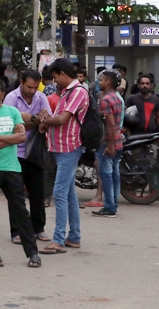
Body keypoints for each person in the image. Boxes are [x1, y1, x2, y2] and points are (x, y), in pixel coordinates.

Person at [0, 78, 41, 268]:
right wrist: (10, 137)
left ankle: (33, 253)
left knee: (21, 212)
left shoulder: (12, 112)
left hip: (12, 168)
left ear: (3, 94)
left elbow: (21, 137)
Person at [38, 58, 89, 254]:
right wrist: (47, 121)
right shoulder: (68, 92)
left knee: (59, 193)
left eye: (55, 77)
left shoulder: (77, 92)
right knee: (68, 194)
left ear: (63, 74)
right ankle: (74, 237)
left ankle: (58, 240)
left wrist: (45, 121)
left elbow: (62, 119)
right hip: (61, 147)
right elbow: (59, 118)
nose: (54, 82)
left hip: (69, 147)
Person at [4, 70, 52, 243]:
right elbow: (11, 125)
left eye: (35, 87)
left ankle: (39, 228)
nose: (32, 91)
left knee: (37, 193)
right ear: (22, 83)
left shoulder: (41, 97)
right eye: (29, 87)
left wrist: (31, 119)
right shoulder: (11, 98)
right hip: (14, 153)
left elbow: (47, 121)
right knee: (16, 195)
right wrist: (36, 119)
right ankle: (16, 231)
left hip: (35, 152)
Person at [92, 71, 123, 218]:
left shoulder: (105, 100)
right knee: (115, 174)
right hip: (118, 140)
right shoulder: (117, 98)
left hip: (108, 141)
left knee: (106, 175)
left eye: (102, 80)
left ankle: (109, 207)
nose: (100, 83)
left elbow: (110, 124)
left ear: (108, 82)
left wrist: (110, 145)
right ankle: (113, 205)